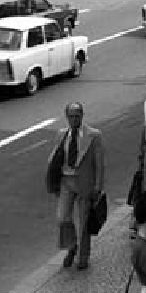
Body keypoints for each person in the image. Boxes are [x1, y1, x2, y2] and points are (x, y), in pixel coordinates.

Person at [46, 102, 106, 270]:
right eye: (71, 116)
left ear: (82, 116)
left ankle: (83, 256)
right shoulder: (61, 134)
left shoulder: (94, 135)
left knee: (84, 221)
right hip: (66, 180)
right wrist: (53, 181)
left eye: (77, 116)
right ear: (67, 117)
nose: (74, 119)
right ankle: (71, 246)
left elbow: (99, 164)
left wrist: (98, 186)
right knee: (62, 217)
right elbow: (55, 159)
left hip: (84, 182)